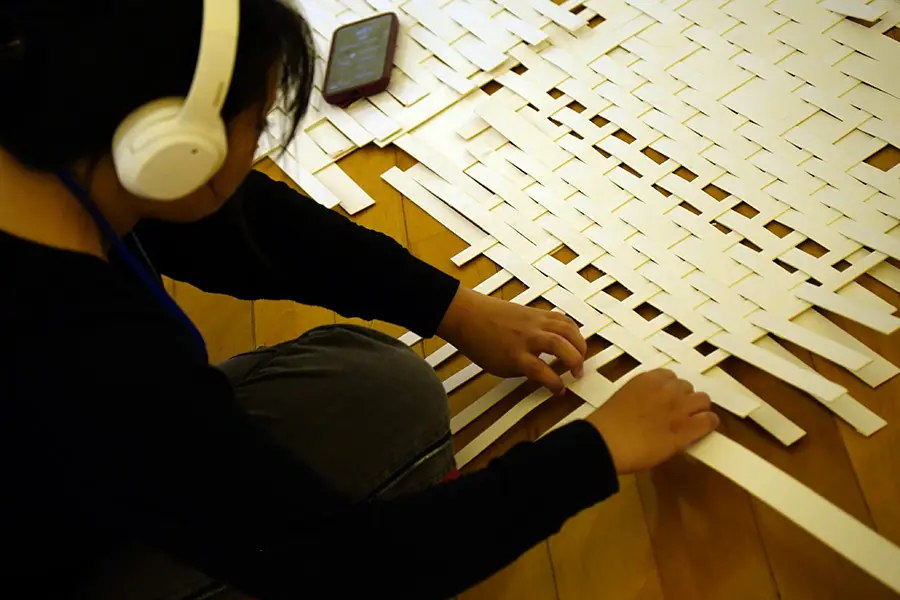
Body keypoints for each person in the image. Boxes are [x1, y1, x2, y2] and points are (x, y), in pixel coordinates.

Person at [0, 1, 720, 598]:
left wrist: (451, 306)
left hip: (71, 471)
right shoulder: (81, 348)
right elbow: (347, 566)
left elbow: (236, 228)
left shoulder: (46, 130)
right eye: (259, 122)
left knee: (383, 389)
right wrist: (596, 451)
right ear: (174, 147)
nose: (257, 148)